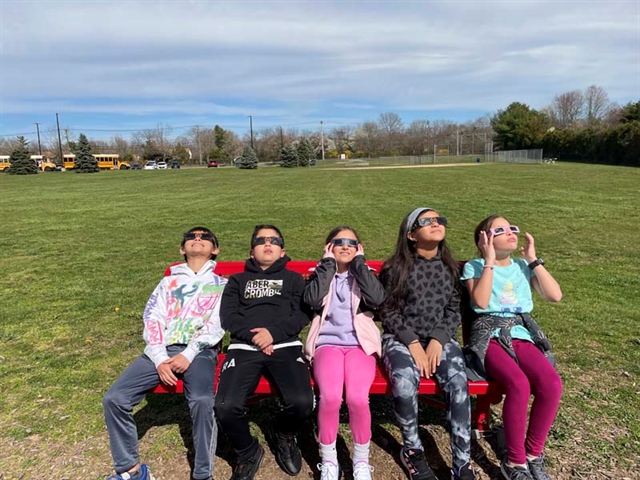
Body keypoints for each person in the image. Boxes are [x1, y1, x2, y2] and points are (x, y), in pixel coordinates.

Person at [103, 227, 227, 480]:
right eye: (191, 237)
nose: (197, 239)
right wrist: (160, 358)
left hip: (199, 352)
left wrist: (189, 354)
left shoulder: (221, 284)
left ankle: (203, 474)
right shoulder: (168, 283)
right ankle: (131, 470)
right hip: (160, 350)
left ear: (215, 250)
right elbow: (153, 318)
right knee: (115, 398)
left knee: (202, 401)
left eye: (205, 237)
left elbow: (217, 325)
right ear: (182, 249)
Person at [461, 215, 563, 480]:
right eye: (500, 230)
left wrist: (533, 259)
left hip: (522, 335)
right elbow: (481, 303)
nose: (510, 232)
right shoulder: (475, 266)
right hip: (489, 337)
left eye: (511, 228)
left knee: (551, 384)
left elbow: (554, 295)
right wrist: (489, 261)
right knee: (518, 384)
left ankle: (533, 454)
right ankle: (515, 463)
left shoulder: (522, 266)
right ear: (484, 239)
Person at [379, 208, 476, 480]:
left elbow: (454, 309)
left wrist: (437, 340)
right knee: (405, 382)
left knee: (458, 383)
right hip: (400, 339)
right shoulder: (395, 269)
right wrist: (412, 343)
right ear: (411, 235)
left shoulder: (450, 268)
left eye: (439, 220)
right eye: (427, 221)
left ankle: (462, 462)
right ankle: (412, 451)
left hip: (439, 340)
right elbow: (387, 311)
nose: (436, 224)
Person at [214, 225, 314, 480]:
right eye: (261, 240)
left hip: (285, 345)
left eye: (274, 240)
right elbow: (228, 316)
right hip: (244, 346)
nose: (267, 243)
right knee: (225, 406)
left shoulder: (293, 279)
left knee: (303, 403)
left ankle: (283, 432)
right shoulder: (237, 280)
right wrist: (256, 337)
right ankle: (248, 451)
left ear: (283, 251)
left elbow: (302, 313)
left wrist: (273, 334)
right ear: (251, 251)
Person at [303, 226, 386, 480]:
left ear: (359, 248)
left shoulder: (365, 275)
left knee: (357, 399)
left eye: (352, 242)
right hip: (327, 345)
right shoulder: (319, 275)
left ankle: (361, 460)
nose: (346, 246)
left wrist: (360, 264)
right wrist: (327, 266)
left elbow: (377, 299)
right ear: (329, 247)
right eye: (339, 242)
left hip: (360, 346)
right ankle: (329, 460)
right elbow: (312, 300)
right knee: (329, 397)